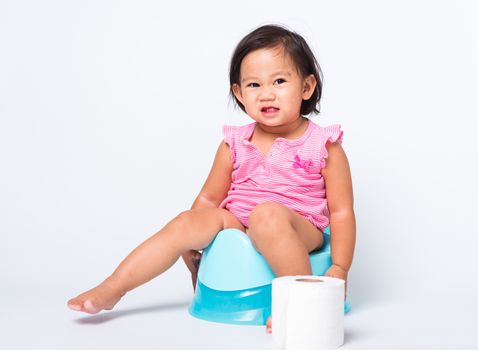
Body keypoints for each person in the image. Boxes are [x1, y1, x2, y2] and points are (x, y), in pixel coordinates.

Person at [67, 24, 356, 334]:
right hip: (238, 225)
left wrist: (339, 267)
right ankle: (115, 287)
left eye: (280, 81)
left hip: (298, 228)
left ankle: (302, 305)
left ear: (306, 87)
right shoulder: (234, 143)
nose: (267, 93)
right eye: (254, 85)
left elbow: (341, 212)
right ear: (239, 93)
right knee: (185, 222)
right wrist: (194, 239)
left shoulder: (324, 145)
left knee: (267, 215)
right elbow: (208, 199)